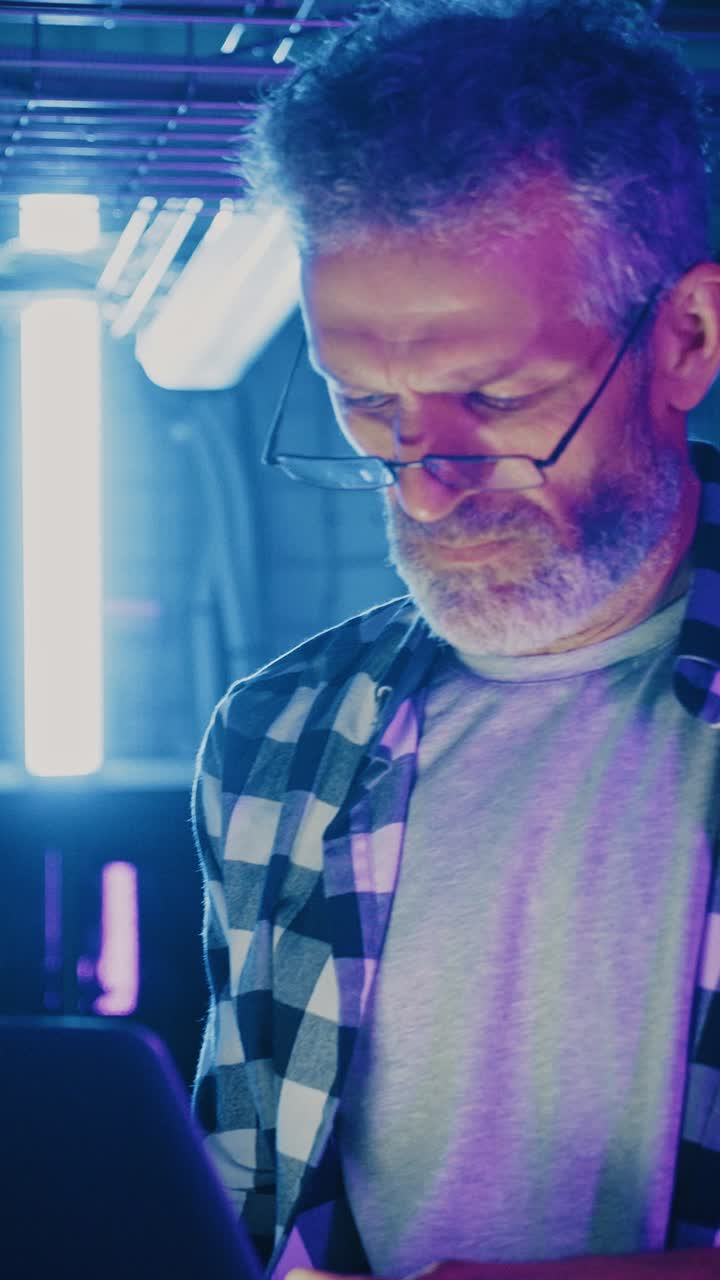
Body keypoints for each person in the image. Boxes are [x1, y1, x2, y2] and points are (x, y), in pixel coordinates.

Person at [191, 2, 720, 1277]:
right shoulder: (275, 740)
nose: (424, 482)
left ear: (688, 341)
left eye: (497, 399)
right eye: (365, 402)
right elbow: (246, 1199)